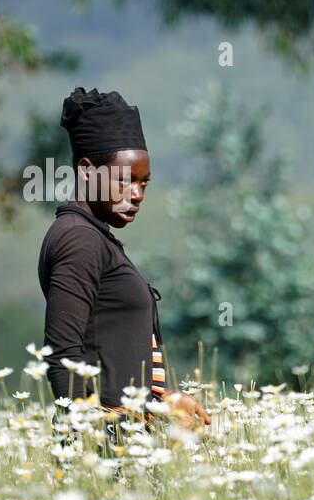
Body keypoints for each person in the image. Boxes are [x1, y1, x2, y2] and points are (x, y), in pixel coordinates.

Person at [38, 86, 210, 453]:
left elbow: (109, 355)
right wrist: (86, 456)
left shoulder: (95, 237)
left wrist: (159, 403)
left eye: (143, 182)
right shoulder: (79, 240)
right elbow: (64, 355)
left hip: (123, 440)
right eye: (124, 179)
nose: (136, 194)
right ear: (87, 171)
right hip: (106, 449)